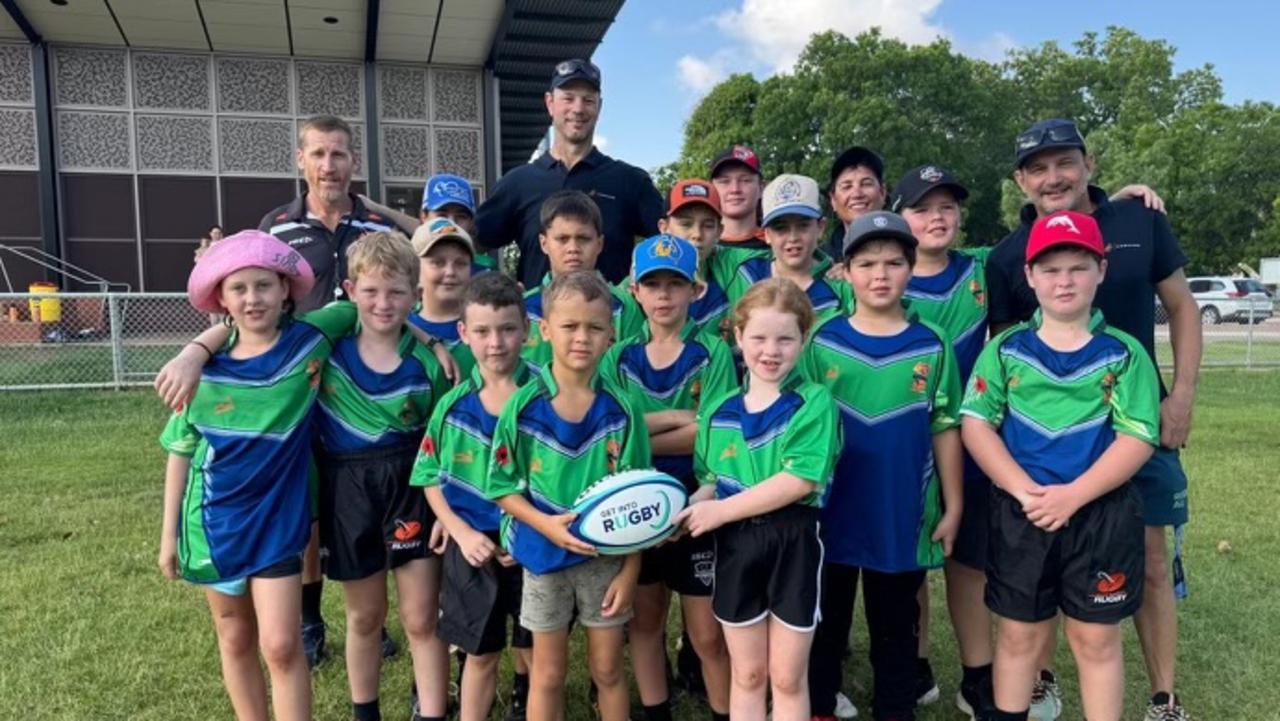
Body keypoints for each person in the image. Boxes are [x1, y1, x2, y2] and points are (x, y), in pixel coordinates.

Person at [985, 119, 1201, 721]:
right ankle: (1042, 680)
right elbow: (1008, 359)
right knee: (1047, 555)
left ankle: (1163, 697)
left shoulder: (1141, 220)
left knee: (1152, 560)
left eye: (1064, 162)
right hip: (1053, 447)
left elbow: (1182, 305)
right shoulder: (1008, 255)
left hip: (1140, 422)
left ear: (1090, 163)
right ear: (1021, 179)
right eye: (1038, 168)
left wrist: (1180, 396)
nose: (1053, 177)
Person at [962, 210, 1161, 721]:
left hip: (1101, 516)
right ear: (1029, 277)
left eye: (1078, 267)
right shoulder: (1005, 350)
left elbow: (1137, 437)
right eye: (1050, 270)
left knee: (1094, 639)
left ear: (1101, 270)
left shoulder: (1124, 353)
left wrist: (1074, 495)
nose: (1064, 280)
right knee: (1018, 636)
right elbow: (977, 425)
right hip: (1021, 513)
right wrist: (1026, 491)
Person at [157, 230, 347, 721]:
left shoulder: (310, 342)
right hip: (213, 523)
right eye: (238, 288)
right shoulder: (201, 374)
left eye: (263, 285)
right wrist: (167, 537)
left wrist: (432, 340)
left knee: (283, 645)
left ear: (286, 290)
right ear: (221, 298)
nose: (252, 298)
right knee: (234, 635)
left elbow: (364, 307)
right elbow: (180, 452)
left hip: (281, 520)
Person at [801, 211, 963, 721]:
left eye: (894, 262)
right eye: (866, 262)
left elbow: (945, 427)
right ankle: (819, 706)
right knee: (825, 623)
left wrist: (954, 504)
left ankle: (896, 709)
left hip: (900, 512)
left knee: (896, 625)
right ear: (845, 271)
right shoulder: (820, 341)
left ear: (911, 268)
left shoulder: (932, 344)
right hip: (831, 513)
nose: (880, 274)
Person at [483, 271, 651, 721]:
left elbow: (638, 501)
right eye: (570, 326)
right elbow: (500, 487)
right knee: (548, 674)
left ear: (611, 334)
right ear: (545, 329)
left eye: (595, 327)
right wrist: (545, 526)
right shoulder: (521, 407)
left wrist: (630, 569)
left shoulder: (623, 407)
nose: (582, 338)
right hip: (542, 558)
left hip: (607, 561)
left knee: (609, 669)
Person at [678, 278, 841, 721]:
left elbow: (800, 480)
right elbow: (712, 479)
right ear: (737, 335)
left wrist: (720, 510)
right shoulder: (718, 411)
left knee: (787, 678)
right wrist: (686, 508)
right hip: (735, 546)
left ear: (803, 340)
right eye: (759, 338)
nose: (771, 351)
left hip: (794, 543)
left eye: (785, 339)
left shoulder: (814, 402)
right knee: (748, 676)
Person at [312, 232, 453, 721]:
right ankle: (364, 712)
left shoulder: (428, 365)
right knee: (365, 615)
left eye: (396, 292)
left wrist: (443, 509)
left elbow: (442, 444)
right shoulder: (327, 349)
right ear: (350, 291)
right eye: (370, 291)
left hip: (410, 484)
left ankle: (432, 712)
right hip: (346, 487)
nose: (383, 303)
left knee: (420, 617)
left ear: (416, 295)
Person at [600, 235, 738, 721]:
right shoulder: (616, 357)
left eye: (675, 284)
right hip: (636, 504)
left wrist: (647, 429)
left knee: (706, 632)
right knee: (646, 619)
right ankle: (656, 709)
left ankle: (724, 710)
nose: (663, 295)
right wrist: (680, 418)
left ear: (695, 290)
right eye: (652, 284)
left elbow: (713, 435)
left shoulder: (713, 354)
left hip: (698, 505)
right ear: (633, 290)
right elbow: (613, 436)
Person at [889, 165, 996, 717]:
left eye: (947, 206)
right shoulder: (878, 276)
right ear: (899, 217)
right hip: (903, 445)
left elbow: (1054, 235)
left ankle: (977, 675)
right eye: (922, 207)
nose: (937, 217)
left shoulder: (984, 268)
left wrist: (1115, 201)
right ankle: (915, 663)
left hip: (970, 442)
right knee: (908, 566)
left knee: (966, 562)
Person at [413, 272, 536, 721]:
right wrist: (461, 531)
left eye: (507, 329)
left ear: (526, 329)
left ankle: (530, 704)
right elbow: (428, 475)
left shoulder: (547, 396)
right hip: (472, 547)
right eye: (482, 331)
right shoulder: (452, 407)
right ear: (463, 333)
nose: (496, 343)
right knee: (480, 654)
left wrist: (529, 530)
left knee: (536, 649)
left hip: (533, 539)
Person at [475, 59, 663, 287]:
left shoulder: (630, 181)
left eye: (588, 100)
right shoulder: (518, 183)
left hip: (612, 320)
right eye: (568, 98)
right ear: (550, 103)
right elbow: (469, 241)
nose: (578, 108)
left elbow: (676, 241)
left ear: (599, 107)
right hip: (538, 318)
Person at [520, 190, 644, 369]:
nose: (573, 248)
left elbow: (634, 373)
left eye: (583, 239)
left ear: (599, 244)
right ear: (544, 243)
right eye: (562, 239)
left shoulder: (622, 306)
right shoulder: (523, 309)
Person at [723, 174, 854, 323]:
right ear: (766, 234)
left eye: (803, 226)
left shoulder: (841, 287)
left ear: (820, 227)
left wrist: (856, 272)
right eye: (781, 228)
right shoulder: (741, 269)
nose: (793, 238)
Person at [657, 179, 736, 342]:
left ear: (719, 231)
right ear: (664, 228)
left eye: (707, 225)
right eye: (686, 224)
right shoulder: (639, 286)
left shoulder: (732, 276)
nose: (697, 234)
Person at [408, 217, 478, 377]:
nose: (450, 272)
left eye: (460, 263)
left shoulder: (487, 328)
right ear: (414, 268)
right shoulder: (399, 329)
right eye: (438, 263)